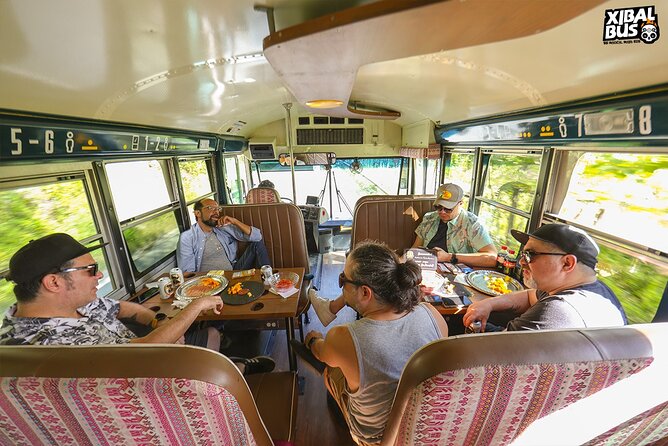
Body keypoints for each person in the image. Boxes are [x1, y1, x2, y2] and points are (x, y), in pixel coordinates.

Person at [0, 233, 274, 375]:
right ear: (54, 283)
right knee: (210, 350)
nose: (100, 276)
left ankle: (235, 366)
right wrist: (193, 308)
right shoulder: (43, 346)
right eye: (90, 270)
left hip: (145, 350)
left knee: (212, 334)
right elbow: (138, 355)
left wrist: (157, 322)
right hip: (142, 378)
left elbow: (124, 308)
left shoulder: (76, 303)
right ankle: (238, 371)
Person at [304, 241, 448, 445]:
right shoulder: (433, 316)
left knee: (331, 370)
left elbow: (321, 353)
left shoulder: (344, 338)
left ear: (365, 293)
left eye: (343, 280)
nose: (342, 285)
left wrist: (313, 339)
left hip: (373, 438)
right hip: (423, 428)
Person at [310, 182, 496, 327]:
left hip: (453, 278)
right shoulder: (430, 219)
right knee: (372, 274)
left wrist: (450, 257)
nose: (441, 212)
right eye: (439, 206)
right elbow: (414, 250)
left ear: (461, 204)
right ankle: (331, 308)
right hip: (424, 272)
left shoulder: (472, 224)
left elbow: (491, 257)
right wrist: (395, 264)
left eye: (447, 208)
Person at [463, 224, 627, 331]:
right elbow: (529, 295)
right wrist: (489, 303)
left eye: (530, 255)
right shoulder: (600, 292)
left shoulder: (556, 312)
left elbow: (491, 351)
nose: (521, 261)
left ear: (567, 263)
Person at [177, 198, 271, 273]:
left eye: (218, 209)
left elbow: (257, 236)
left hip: (233, 272)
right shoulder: (187, 238)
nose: (216, 212)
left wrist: (235, 221)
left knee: (257, 244)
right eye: (211, 208)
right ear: (198, 213)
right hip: (209, 280)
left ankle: (268, 280)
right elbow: (187, 272)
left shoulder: (222, 228)